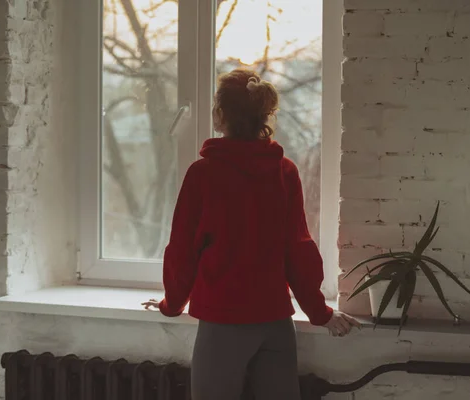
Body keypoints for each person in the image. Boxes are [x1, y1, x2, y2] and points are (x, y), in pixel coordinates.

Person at [143, 69, 360, 400]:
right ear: (264, 115)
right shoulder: (284, 171)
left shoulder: (203, 174)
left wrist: (172, 304)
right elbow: (299, 250)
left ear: (220, 115)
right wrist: (320, 313)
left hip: (222, 324)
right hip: (275, 325)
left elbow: (183, 251)